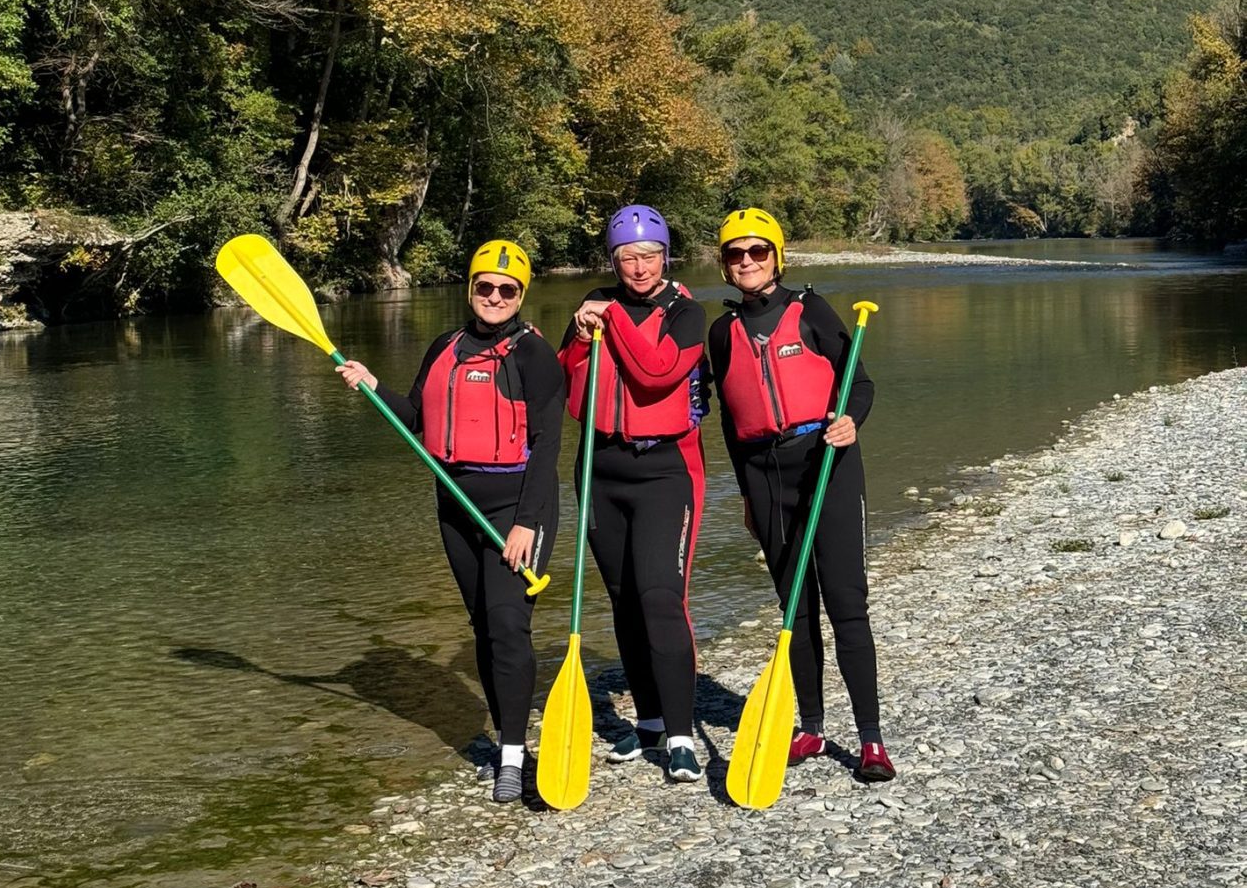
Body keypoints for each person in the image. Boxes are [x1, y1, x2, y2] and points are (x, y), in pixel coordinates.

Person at [336, 239, 564, 805]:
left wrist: (527, 524)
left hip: (517, 509)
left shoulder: (535, 356)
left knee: (509, 624)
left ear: (521, 296)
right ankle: (507, 736)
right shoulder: (446, 345)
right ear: (470, 288)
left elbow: (548, 444)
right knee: (484, 625)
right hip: (455, 506)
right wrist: (371, 385)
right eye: (484, 286)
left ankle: (512, 755)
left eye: (506, 289)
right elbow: (416, 416)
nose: (494, 296)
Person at [708, 208, 895, 782]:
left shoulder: (809, 310)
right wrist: (745, 495)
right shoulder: (722, 331)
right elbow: (731, 424)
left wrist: (851, 422)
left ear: (776, 256)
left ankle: (870, 740)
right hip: (766, 480)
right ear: (724, 264)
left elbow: (857, 383)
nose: (746, 262)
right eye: (735, 254)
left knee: (846, 606)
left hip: (827, 465)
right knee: (795, 609)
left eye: (757, 252)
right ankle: (811, 727)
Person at [559, 205, 707, 784]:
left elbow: (655, 373)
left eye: (648, 256)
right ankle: (646, 721)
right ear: (613, 260)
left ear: (664, 256)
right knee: (623, 600)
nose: (639, 267)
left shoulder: (687, 313)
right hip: (600, 468)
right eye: (627, 258)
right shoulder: (594, 307)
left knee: (659, 597)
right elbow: (566, 380)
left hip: (665, 471)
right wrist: (576, 334)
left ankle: (679, 733)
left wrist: (610, 317)